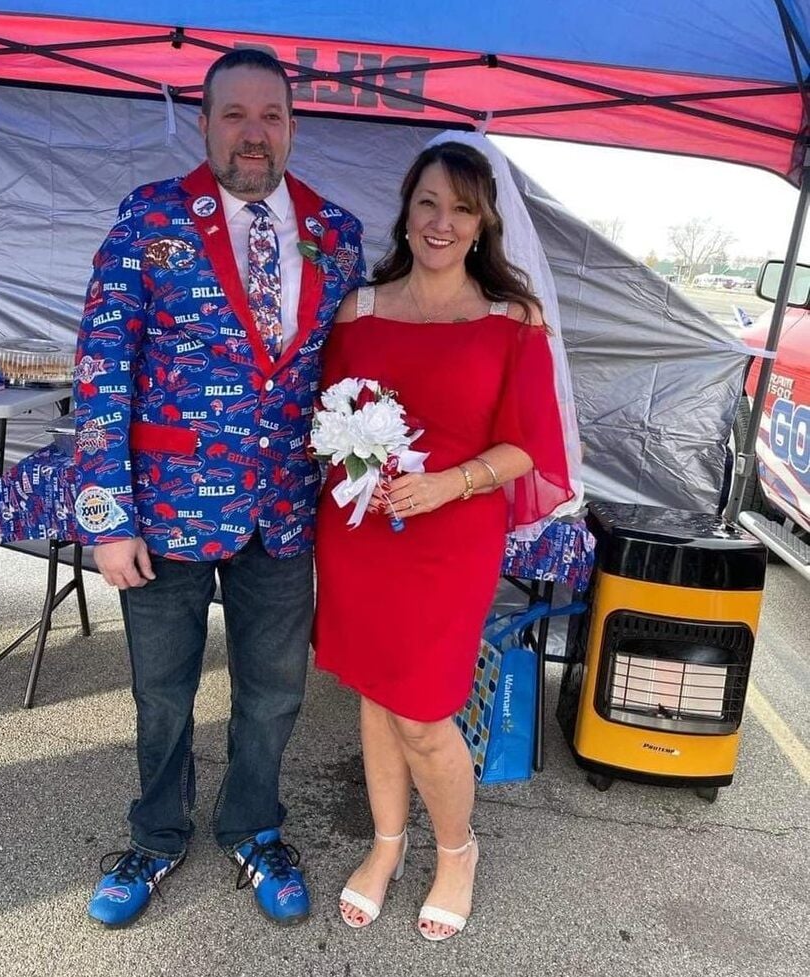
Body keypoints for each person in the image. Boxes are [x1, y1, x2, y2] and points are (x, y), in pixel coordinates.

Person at [73, 48, 364, 928]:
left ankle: (252, 825)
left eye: (270, 116)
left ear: (292, 126)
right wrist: (107, 514)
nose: (253, 133)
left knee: (274, 692)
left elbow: (367, 359)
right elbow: (102, 369)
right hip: (161, 512)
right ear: (203, 123)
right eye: (234, 115)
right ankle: (157, 835)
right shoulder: (151, 218)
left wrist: (499, 304)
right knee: (161, 693)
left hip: (282, 513)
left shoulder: (334, 231)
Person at [313, 141, 573, 941]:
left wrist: (447, 483)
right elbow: (330, 416)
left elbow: (530, 444)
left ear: (483, 221)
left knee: (424, 712)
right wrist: (357, 465)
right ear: (407, 207)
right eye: (429, 202)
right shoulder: (358, 309)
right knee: (373, 692)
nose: (442, 221)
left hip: (450, 538)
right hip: (361, 536)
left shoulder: (510, 320)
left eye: (461, 207)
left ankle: (457, 850)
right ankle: (387, 846)